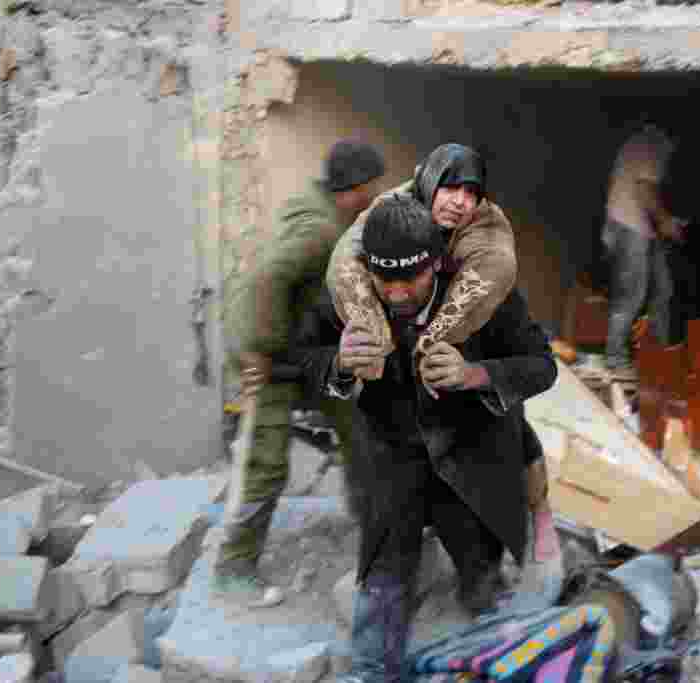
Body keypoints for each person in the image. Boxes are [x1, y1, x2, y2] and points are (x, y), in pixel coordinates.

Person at [290, 194, 559, 683]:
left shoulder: (483, 295)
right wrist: (339, 363)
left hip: (470, 462)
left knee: (484, 586)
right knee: (382, 590)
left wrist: (473, 373)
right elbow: (302, 359)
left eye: (408, 278)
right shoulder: (348, 297)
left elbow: (542, 365)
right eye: (382, 278)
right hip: (391, 462)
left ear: (436, 262)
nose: (394, 294)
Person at [325, 143, 563, 581]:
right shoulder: (389, 223)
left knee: (514, 440)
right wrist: (363, 343)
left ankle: (539, 513)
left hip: (474, 371)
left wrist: (468, 369)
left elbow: (538, 364)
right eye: (451, 187)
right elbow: (344, 269)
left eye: (471, 193)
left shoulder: (488, 245)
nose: (460, 201)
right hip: (410, 437)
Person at [215, 139, 386, 607]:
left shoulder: (331, 216)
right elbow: (265, 280)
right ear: (350, 191)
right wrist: (261, 351)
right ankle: (234, 565)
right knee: (266, 464)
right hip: (265, 352)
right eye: (371, 189)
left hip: (302, 349)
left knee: (359, 420)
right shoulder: (318, 231)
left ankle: (374, 526)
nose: (376, 197)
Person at [599, 124, 688, 373]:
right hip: (630, 226)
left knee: (663, 290)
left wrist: (661, 223)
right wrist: (666, 222)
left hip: (631, 226)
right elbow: (644, 190)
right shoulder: (654, 144)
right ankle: (615, 360)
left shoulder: (637, 141)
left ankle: (657, 358)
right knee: (631, 296)